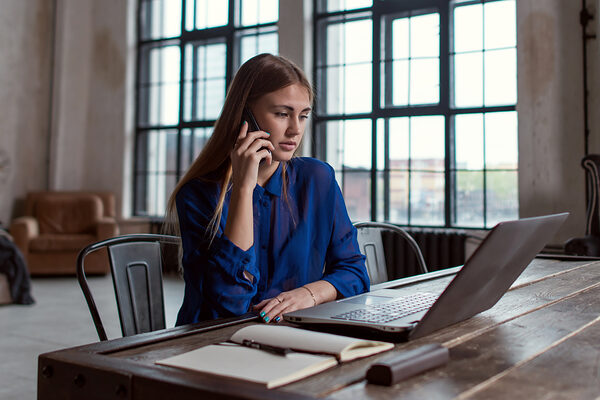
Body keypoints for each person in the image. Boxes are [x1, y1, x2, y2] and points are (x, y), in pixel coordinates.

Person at [166, 53, 369, 325]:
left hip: (292, 336)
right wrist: (243, 189)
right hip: (213, 340)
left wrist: (309, 294)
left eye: (303, 115)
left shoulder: (317, 179)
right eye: (282, 114)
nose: (296, 129)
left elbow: (355, 273)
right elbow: (231, 301)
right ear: (245, 115)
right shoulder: (198, 194)